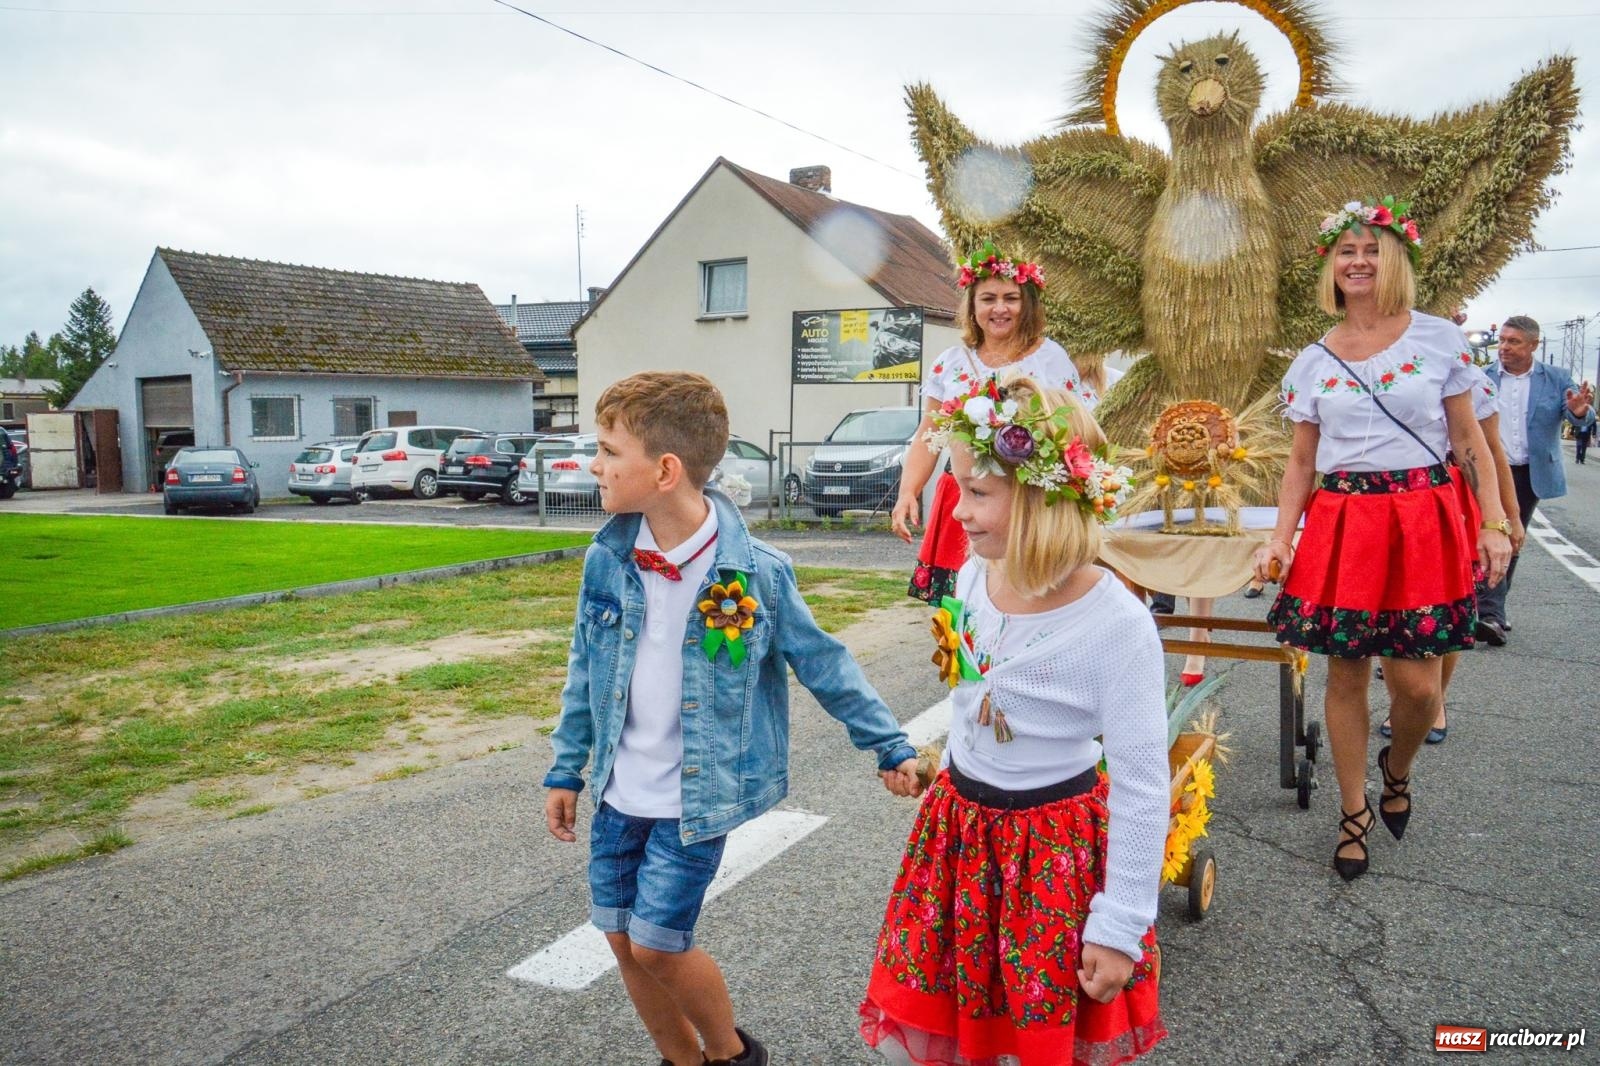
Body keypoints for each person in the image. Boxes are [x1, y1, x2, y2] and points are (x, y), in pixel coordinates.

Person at [543, 371, 919, 1066]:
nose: (593, 465)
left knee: (659, 940)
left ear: (664, 470)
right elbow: (585, 669)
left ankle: (731, 1055)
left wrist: (889, 745)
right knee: (621, 939)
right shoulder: (607, 559)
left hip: (695, 797)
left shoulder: (755, 574)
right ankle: (680, 1060)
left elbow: (825, 663)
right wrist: (567, 766)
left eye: (607, 451)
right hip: (619, 793)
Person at [862, 374, 1168, 1065]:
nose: (957, 510)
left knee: (1036, 1021)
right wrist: (944, 754)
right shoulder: (975, 573)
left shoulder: (1116, 623)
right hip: (961, 830)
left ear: (1039, 499)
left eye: (977, 492)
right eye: (957, 487)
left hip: (1050, 850)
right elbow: (976, 691)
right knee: (961, 1006)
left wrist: (1119, 926)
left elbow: (1146, 786)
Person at [1255, 198, 1513, 881]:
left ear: (1395, 260)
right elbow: (1302, 464)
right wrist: (1280, 539)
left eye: (1372, 250)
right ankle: (1352, 811)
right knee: (1345, 672)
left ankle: (1396, 767)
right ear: (1331, 267)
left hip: (1421, 518)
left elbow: (1469, 443)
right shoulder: (1311, 360)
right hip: (1344, 519)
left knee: (1419, 689)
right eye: (1346, 251)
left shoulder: (1437, 339)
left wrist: (1491, 519)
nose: (1359, 261)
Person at [892, 243, 1080, 604]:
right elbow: (929, 434)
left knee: (1026, 599)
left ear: (1026, 305)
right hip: (964, 495)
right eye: (988, 298)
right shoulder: (951, 363)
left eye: (1011, 298)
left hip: (1028, 497)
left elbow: (1076, 429)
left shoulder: (1050, 358)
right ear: (972, 306)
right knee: (961, 607)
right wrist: (907, 493)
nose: (999, 308)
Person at [1380, 379, 1525, 743]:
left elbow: (1493, 451)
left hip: (1458, 495)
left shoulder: (1470, 380)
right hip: (1402, 495)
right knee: (1391, 601)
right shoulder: (1384, 370)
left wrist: (1511, 516)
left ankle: (1436, 701)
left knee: (1451, 603)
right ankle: (1399, 702)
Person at [1472, 316, 1594, 644]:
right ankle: (1489, 612)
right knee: (1484, 534)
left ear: (1533, 345)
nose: (1505, 348)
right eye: (1503, 341)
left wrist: (1580, 411)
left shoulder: (1555, 379)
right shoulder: (1482, 378)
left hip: (1528, 472)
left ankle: (1490, 613)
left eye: (1514, 342)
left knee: (1509, 535)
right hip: (1488, 469)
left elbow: (1579, 418)